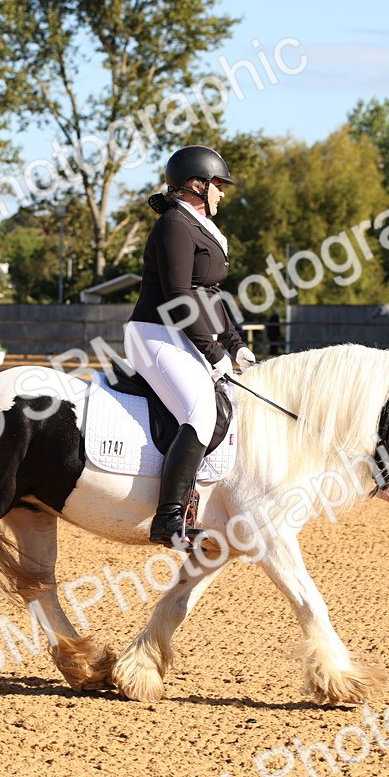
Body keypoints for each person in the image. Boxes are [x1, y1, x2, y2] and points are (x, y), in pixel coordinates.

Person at [124, 145, 255, 548]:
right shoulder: (175, 226)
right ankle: (168, 518)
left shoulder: (198, 227)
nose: (222, 193)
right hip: (154, 334)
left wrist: (235, 345)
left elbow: (209, 296)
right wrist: (212, 353)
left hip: (179, 334)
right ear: (197, 185)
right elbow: (178, 296)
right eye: (218, 185)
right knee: (200, 412)